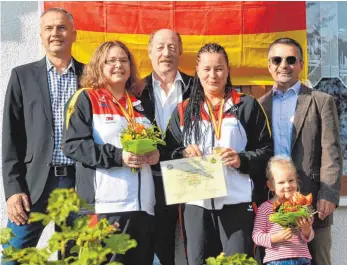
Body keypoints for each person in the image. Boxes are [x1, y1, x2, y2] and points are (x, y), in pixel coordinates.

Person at [163, 43, 273, 265]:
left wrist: (242, 160)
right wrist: (183, 152)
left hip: (237, 203)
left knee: (239, 262)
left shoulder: (246, 105)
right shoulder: (184, 110)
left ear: (228, 70)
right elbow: (166, 151)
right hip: (196, 204)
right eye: (207, 69)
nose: (213, 75)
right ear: (197, 71)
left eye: (219, 68)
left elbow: (267, 150)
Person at [62, 40, 159, 265]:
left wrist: (156, 156)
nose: (118, 65)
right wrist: (118, 156)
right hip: (104, 207)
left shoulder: (139, 103)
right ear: (98, 66)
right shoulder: (86, 98)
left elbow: (155, 143)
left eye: (124, 60)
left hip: (142, 207)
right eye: (111, 61)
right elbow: (73, 145)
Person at [1, 8, 83, 263]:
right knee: (13, 256)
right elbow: (10, 137)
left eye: (61, 28)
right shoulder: (22, 76)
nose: (55, 33)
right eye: (49, 28)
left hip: (78, 184)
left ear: (74, 34)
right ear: (40, 35)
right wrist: (13, 189)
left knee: (76, 257)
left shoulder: (91, 76)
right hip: (33, 185)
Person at [258, 38, 343, 265]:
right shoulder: (259, 106)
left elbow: (331, 152)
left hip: (313, 202)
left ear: (301, 64)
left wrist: (329, 194)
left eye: (290, 59)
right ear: (269, 65)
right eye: (277, 60)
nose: (283, 65)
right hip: (272, 204)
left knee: (319, 260)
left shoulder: (321, 102)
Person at [139, 28, 193, 265]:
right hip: (149, 178)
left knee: (193, 244)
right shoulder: (135, 90)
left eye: (172, 47)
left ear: (180, 52)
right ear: (150, 52)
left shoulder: (197, 87)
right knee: (155, 247)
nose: (166, 53)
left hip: (189, 177)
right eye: (160, 47)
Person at [252, 156, 314, 265]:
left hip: (302, 258)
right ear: (271, 186)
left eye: (291, 180)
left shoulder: (301, 205)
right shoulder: (265, 208)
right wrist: (274, 238)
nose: (288, 185)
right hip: (277, 260)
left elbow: (308, 237)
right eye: (281, 182)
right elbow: (256, 236)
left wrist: (306, 229)